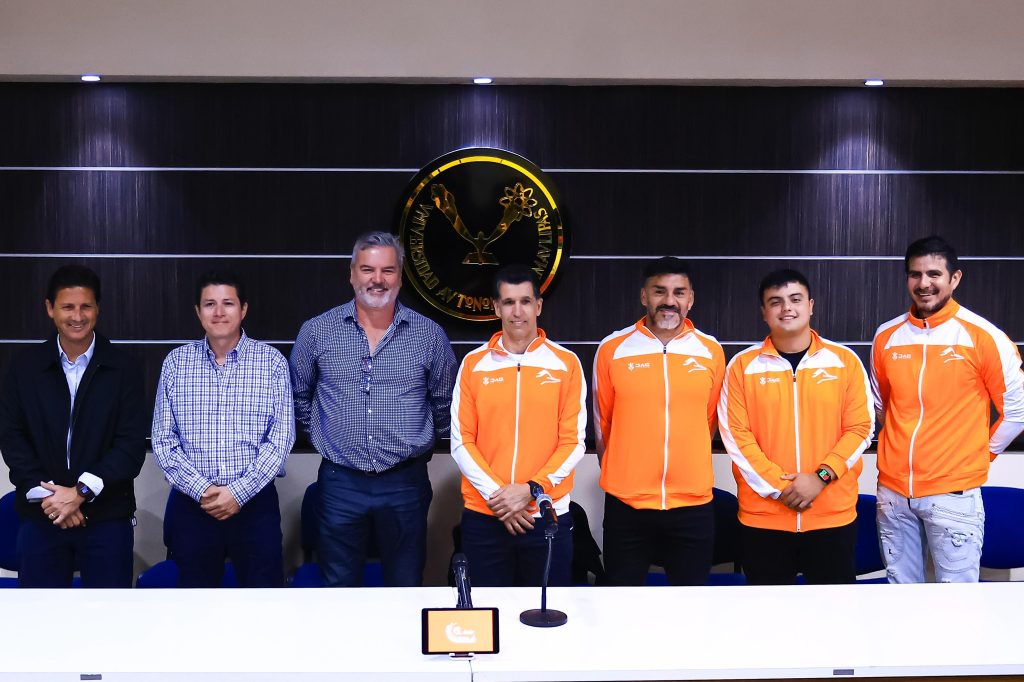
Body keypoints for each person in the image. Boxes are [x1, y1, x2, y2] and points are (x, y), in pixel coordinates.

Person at [290, 231, 457, 587]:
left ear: (400, 276)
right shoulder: (317, 332)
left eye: (387, 270)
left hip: (405, 483)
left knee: (405, 585)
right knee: (338, 588)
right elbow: (298, 397)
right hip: (340, 482)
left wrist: (417, 442)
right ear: (352, 274)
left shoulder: (429, 335)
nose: (377, 279)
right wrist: (326, 436)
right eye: (367, 269)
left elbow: (444, 404)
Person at [871, 236, 1024, 583]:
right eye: (915, 274)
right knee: (899, 598)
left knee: (956, 602)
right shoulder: (886, 336)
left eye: (934, 274)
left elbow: (1017, 411)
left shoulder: (984, 336)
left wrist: (980, 455)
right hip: (893, 495)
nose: (924, 283)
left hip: (953, 495)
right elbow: (882, 406)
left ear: (955, 278)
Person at [719, 269, 873, 585]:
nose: (786, 308)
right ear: (764, 312)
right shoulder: (742, 366)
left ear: (810, 305)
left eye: (795, 299)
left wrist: (820, 478)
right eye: (775, 302)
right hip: (764, 519)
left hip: (831, 516)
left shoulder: (844, 361)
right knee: (769, 612)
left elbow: (860, 428)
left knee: (834, 610)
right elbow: (736, 436)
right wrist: (782, 487)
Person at [0, 265, 147, 587]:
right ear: (50, 308)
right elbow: (12, 437)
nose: (77, 316)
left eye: (86, 306)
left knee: (108, 614)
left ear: (98, 309)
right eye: (68, 307)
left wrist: (80, 493)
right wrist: (53, 499)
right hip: (43, 515)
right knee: (41, 615)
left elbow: (130, 444)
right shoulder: (25, 368)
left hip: (107, 518)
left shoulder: (124, 368)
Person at [152, 271, 295, 587]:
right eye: (209, 304)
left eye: (228, 303)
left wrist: (237, 493)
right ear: (198, 311)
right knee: (195, 604)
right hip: (194, 506)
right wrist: (203, 490)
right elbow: (163, 440)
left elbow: (281, 439)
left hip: (255, 505)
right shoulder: (176, 363)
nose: (219, 312)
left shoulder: (271, 362)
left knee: (264, 602)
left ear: (243, 309)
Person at [450, 264, 586, 587]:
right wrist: (502, 500)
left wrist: (530, 490)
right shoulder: (474, 364)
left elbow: (572, 442)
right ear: (497, 308)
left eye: (525, 301)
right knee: (487, 612)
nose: (517, 311)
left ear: (538, 306)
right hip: (486, 515)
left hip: (546, 515)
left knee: (547, 612)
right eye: (509, 302)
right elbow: (461, 440)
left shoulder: (566, 363)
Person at [592, 257, 724, 585]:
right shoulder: (612, 349)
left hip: (692, 505)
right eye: (659, 291)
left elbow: (709, 420)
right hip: (627, 505)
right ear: (644, 296)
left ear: (691, 299)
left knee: (690, 604)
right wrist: (626, 476)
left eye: (679, 292)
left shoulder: (710, 351)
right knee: (621, 602)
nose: (669, 301)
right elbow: (603, 423)